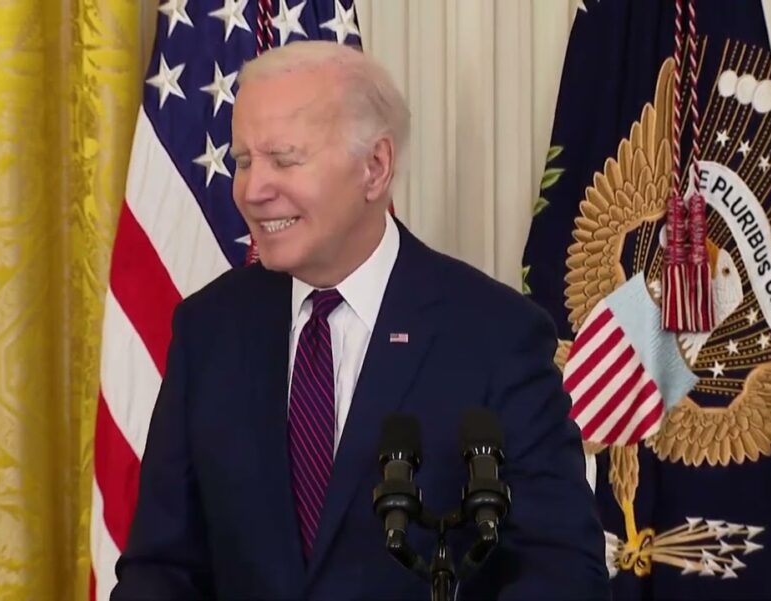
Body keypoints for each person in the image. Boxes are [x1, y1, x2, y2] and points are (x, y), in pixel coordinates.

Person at [112, 40, 610, 601]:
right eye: (243, 161)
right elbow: (160, 567)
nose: (253, 190)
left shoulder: (497, 335)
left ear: (375, 167)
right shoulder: (208, 330)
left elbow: (561, 572)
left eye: (284, 159)